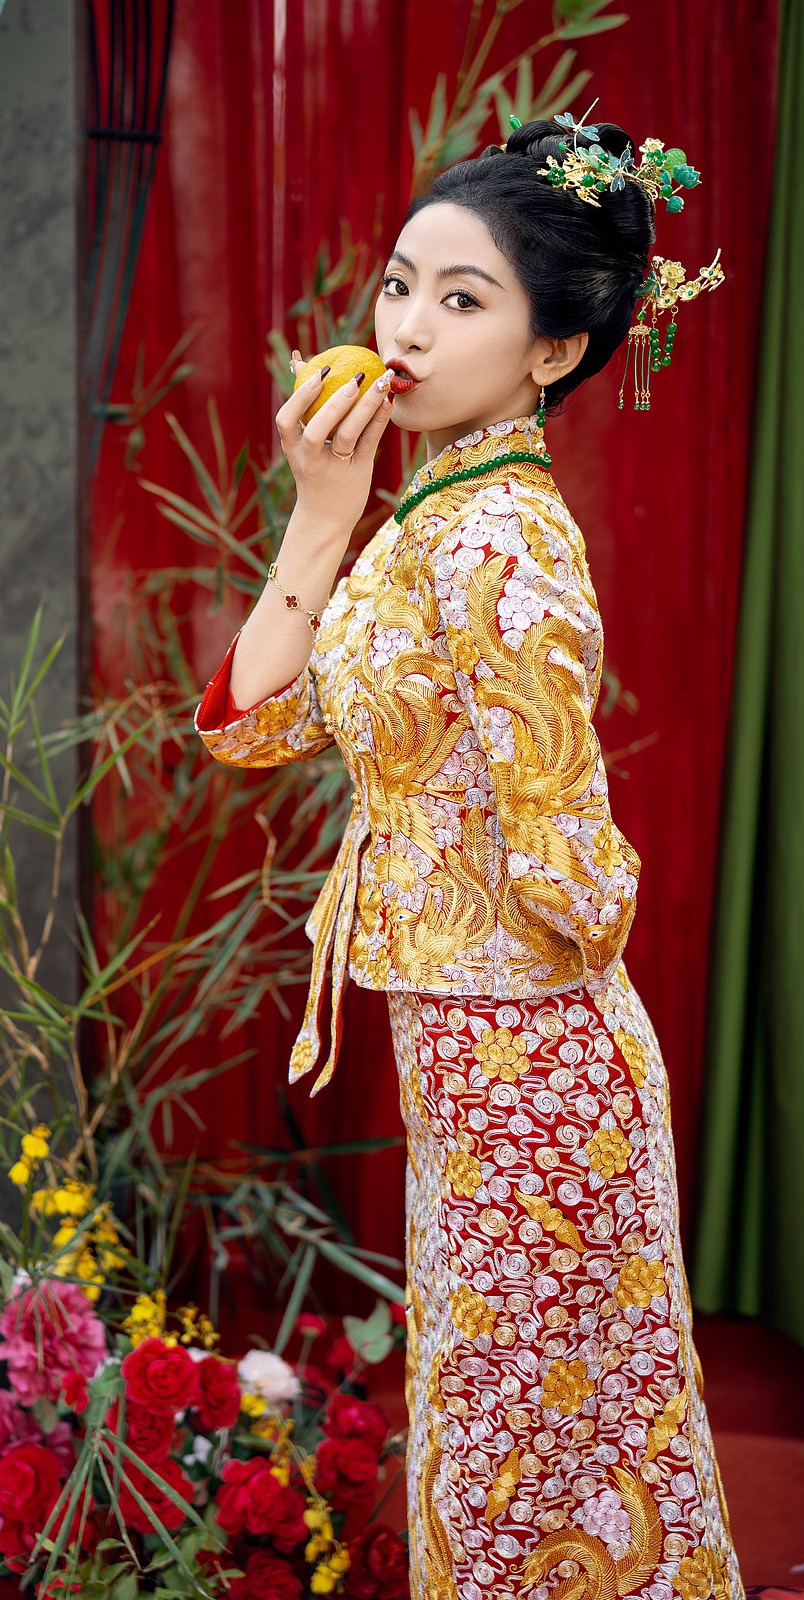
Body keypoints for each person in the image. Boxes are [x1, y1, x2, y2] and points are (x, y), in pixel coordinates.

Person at [195, 117, 741, 1600]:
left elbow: (572, 855)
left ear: (553, 350)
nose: (409, 330)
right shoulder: (418, 521)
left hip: (532, 1055)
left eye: (462, 298)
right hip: (469, 1043)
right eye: (399, 286)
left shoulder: (502, 540)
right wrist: (323, 513)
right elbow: (252, 730)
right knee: (505, 1436)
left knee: (533, 1452)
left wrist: (485, 924)